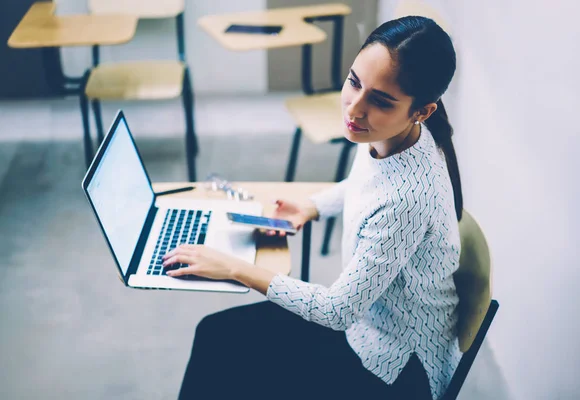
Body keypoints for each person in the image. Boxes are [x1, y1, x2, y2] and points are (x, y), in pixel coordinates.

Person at [164, 15, 463, 400]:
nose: (354, 109)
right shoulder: (398, 137)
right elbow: (367, 183)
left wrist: (234, 268)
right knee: (216, 336)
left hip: (393, 368)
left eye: (380, 100)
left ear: (422, 111)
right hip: (367, 332)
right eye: (354, 82)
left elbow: (337, 310)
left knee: (231, 360)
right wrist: (312, 205)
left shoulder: (408, 199)